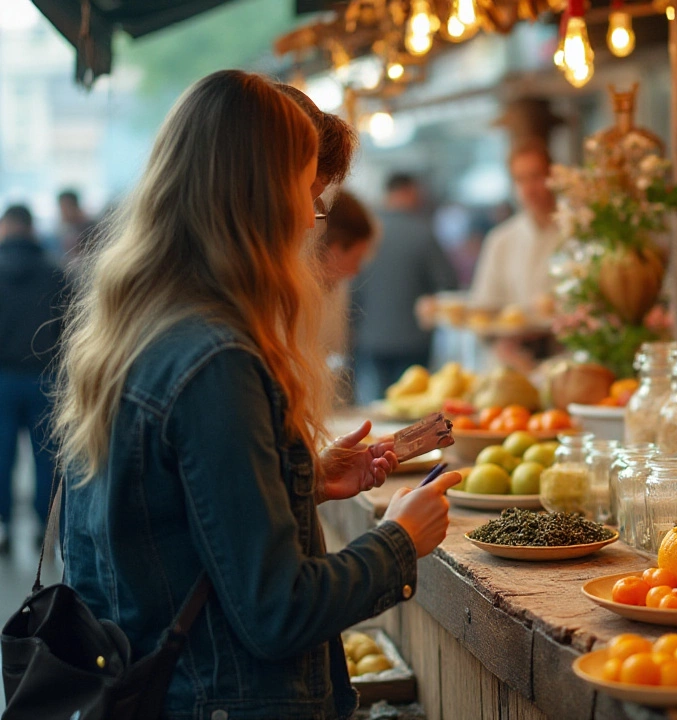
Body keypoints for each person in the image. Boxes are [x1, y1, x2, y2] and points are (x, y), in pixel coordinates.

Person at [53, 71, 460, 719]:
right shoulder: (216, 361)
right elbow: (279, 610)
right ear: (257, 198)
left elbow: (159, 527)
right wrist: (399, 540)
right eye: (305, 190)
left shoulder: (135, 328)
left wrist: (294, 480)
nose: (310, 217)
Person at [352, 173, 457, 403]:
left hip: (371, 339)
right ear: (409, 192)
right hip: (414, 341)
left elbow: (353, 287)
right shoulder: (423, 233)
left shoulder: (365, 232)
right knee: (412, 409)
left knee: (377, 406)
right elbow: (448, 284)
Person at [0, 204, 66, 553]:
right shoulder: (55, 273)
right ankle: (47, 529)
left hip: (2, 380)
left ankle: (3, 527)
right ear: (30, 229)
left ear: (6, 227)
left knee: (1, 456)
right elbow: (71, 330)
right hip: (46, 379)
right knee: (47, 458)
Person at [468, 142, 562, 312]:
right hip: (517, 338)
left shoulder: (578, 230)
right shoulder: (501, 239)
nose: (529, 189)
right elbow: (484, 305)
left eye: (536, 176)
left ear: (553, 175)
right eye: (520, 179)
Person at [317, 190, 377, 400]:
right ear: (334, 250)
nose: (356, 271)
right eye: (357, 258)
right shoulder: (289, 295)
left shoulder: (335, 290)